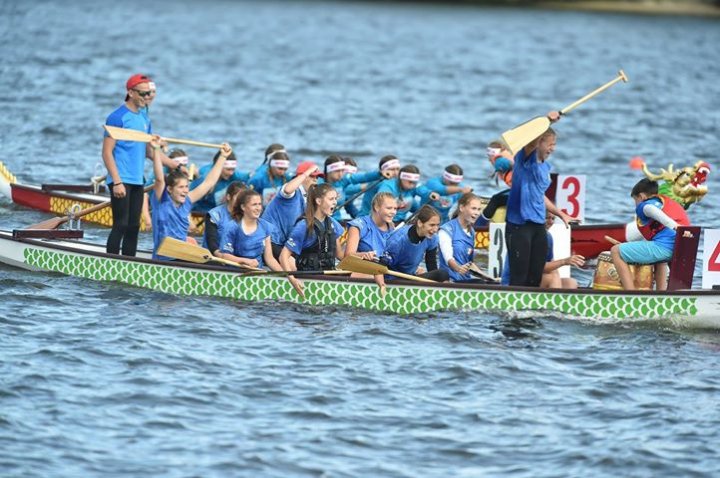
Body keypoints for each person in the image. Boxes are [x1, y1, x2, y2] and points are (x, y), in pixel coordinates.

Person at [504, 112, 572, 287]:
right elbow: (530, 142)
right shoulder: (525, 159)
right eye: (550, 144)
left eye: (555, 144)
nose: (553, 148)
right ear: (539, 143)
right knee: (520, 275)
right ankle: (512, 308)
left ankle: (533, 311)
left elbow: (540, 196)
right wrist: (547, 120)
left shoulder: (545, 167)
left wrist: (560, 213)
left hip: (537, 224)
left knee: (536, 274)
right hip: (519, 224)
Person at [102, 73, 166, 256]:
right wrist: (117, 182)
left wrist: (173, 164)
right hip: (120, 178)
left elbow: (148, 151)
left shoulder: (145, 118)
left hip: (138, 179)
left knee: (134, 225)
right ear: (130, 92)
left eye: (150, 93)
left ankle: (129, 263)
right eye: (143, 94)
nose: (148, 97)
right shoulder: (117, 117)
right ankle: (111, 263)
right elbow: (106, 153)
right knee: (120, 224)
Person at [150, 140, 233, 260]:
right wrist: (156, 150)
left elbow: (208, 183)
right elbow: (159, 179)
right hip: (163, 258)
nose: (185, 190)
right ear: (169, 189)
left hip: (183, 255)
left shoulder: (187, 201)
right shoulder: (161, 202)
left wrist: (223, 156)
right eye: (181, 187)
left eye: (186, 187)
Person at [610, 178, 690, 290]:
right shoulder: (664, 202)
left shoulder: (644, 205)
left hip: (666, 248)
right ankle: (661, 294)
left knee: (616, 251)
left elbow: (651, 210)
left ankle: (630, 294)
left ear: (641, 196)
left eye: (635, 200)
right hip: (681, 247)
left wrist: (677, 227)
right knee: (660, 259)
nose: (636, 204)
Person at [261, 161, 323, 260]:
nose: (315, 180)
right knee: (293, 263)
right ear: (302, 177)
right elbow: (288, 190)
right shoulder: (291, 192)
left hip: (284, 243)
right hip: (268, 240)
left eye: (317, 177)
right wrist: (307, 172)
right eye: (312, 176)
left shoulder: (308, 198)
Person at [280, 183, 345, 272]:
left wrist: (361, 257)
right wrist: (293, 279)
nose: (335, 202)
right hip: (309, 277)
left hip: (328, 275)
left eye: (335, 199)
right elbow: (283, 256)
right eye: (331, 199)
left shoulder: (333, 223)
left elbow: (340, 255)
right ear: (318, 201)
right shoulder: (303, 226)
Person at [381, 205, 449, 282]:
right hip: (392, 280)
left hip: (411, 278)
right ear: (420, 223)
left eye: (437, 225)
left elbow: (431, 264)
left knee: (442, 275)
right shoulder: (398, 240)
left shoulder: (433, 238)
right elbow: (383, 266)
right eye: (432, 225)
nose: (435, 229)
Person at [219, 189, 282, 271]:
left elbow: (269, 259)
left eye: (259, 204)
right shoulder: (232, 227)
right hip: (234, 274)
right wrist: (245, 261)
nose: (258, 208)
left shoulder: (266, 226)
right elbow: (225, 256)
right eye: (254, 204)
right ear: (243, 207)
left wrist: (286, 276)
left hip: (256, 274)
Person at [319, 155, 388, 220]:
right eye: (337, 171)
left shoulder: (343, 181)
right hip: (321, 220)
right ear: (329, 171)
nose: (340, 174)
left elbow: (364, 176)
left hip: (337, 220)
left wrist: (379, 174)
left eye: (342, 171)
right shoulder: (318, 183)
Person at [438, 193, 483, 282]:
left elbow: (470, 264)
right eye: (473, 208)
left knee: (487, 282)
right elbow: (448, 258)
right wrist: (458, 269)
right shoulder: (446, 230)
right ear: (461, 208)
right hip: (449, 281)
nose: (477, 213)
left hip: (464, 280)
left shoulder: (472, 232)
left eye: (479, 209)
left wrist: (489, 278)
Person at [376, 165, 440, 222]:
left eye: (415, 183)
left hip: (401, 221)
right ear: (401, 178)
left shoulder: (414, 187)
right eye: (410, 182)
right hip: (383, 219)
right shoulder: (388, 186)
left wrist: (430, 193)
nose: (412, 185)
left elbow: (423, 190)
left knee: (425, 211)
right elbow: (380, 203)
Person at [345, 192, 397, 260]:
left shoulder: (392, 228)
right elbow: (348, 255)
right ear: (376, 207)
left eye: (395, 209)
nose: (393, 212)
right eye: (389, 208)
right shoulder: (357, 226)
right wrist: (364, 255)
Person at [202, 180, 246, 256]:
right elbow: (211, 240)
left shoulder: (246, 217)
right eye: (238, 197)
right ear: (228, 197)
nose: (240, 201)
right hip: (213, 258)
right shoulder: (214, 214)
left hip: (235, 258)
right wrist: (220, 256)